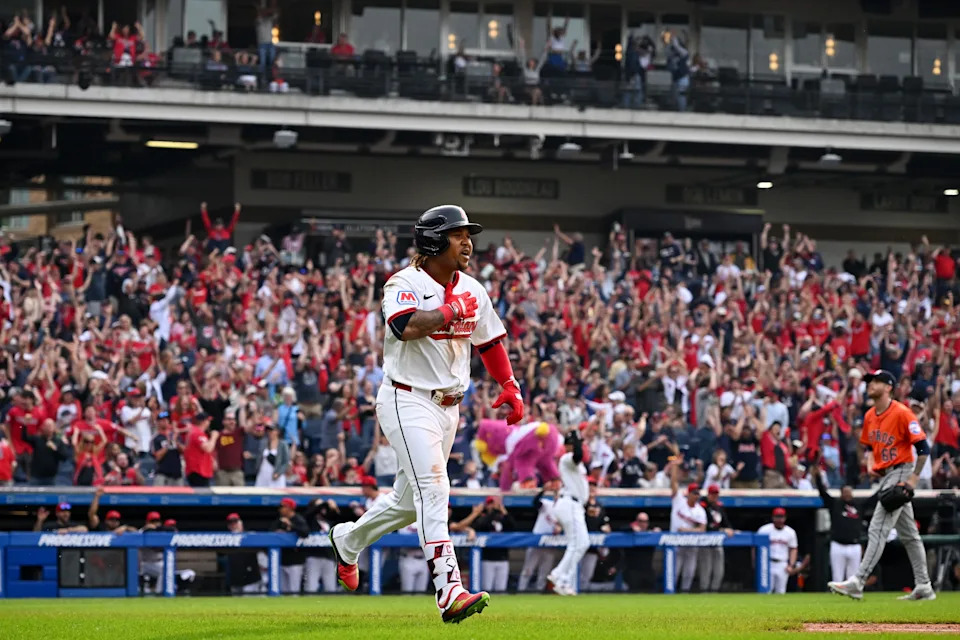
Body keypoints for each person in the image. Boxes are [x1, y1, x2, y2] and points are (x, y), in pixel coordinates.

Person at [329, 205, 522, 624]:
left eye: (468, 234)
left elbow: (489, 342)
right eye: (458, 235)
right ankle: (449, 589)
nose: (468, 242)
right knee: (434, 488)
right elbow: (405, 326)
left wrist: (510, 385)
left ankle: (347, 540)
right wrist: (452, 311)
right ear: (435, 241)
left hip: (449, 408)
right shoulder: (405, 282)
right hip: (406, 397)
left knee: (405, 503)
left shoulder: (473, 287)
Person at [829, 369, 936, 601]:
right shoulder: (869, 416)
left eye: (875, 381)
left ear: (888, 387)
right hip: (886, 473)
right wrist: (870, 462)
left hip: (901, 471)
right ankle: (924, 585)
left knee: (877, 528)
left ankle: (858, 581)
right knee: (910, 536)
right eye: (869, 381)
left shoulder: (902, 413)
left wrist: (913, 479)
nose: (870, 385)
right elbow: (868, 447)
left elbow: (923, 448)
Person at [546, 430, 589, 596]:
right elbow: (578, 454)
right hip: (569, 503)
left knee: (581, 543)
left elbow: (579, 456)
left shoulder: (575, 463)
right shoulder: (566, 458)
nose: (573, 446)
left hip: (575, 505)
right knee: (577, 543)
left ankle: (560, 577)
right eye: (571, 444)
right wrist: (578, 440)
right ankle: (560, 578)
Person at [814, 467, 863, 584]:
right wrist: (818, 478)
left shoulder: (859, 506)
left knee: (853, 578)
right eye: (845, 492)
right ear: (841, 493)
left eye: (849, 492)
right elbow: (822, 493)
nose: (847, 494)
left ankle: (850, 598)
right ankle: (837, 599)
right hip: (838, 545)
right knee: (837, 577)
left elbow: (874, 499)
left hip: (854, 545)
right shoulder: (835, 504)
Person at [670, 457, 707, 593]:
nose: (696, 495)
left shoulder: (700, 510)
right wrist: (674, 467)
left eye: (698, 493)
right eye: (694, 493)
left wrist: (686, 530)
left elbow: (702, 529)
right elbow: (673, 483)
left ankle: (685, 593)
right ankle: (670, 593)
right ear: (689, 493)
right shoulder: (679, 500)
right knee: (674, 570)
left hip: (691, 542)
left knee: (689, 571)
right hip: (675, 541)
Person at [518, 481, 559, 592]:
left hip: (551, 541)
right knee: (528, 569)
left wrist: (561, 529)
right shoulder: (547, 503)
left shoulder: (565, 510)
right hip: (537, 539)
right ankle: (521, 590)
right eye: (558, 494)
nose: (559, 497)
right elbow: (535, 502)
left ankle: (539, 591)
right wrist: (543, 491)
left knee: (544, 571)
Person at [472, 495, 516, 593]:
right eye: (490, 503)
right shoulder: (484, 518)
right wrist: (492, 512)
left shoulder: (503, 518)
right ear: (486, 505)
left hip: (503, 558)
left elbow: (512, 526)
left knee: (501, 589)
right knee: (487, 589)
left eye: (494, 503)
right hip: (488, 559)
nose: (493, 505)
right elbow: (480, 525)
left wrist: (503, 510)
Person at [698, 484, 733, 592]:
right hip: (706, 539)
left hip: (718, 540)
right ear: (708, 494)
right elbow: (706, 524)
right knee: (706, 566)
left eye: (716, 494)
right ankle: (704, 589)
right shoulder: (702, 505)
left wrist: (729, 529)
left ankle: (715, 589)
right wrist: (721, 530)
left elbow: (725, 522)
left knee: (719, 566)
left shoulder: (719, 506)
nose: (714, 496)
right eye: (712, 494)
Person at [270, 497, 309, 593]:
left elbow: (305, 532)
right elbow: (270, 532)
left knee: (294, 591)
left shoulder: (298, 519)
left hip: (295, 560)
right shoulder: (279, 520)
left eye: (282, 507)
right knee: (283, 590)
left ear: (289, 508)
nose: (280, 509)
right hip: (282, 559)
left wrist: (291, 525)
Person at [758, 508, 798, 594]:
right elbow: (756, 548)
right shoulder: (764, 530)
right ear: (773, 517)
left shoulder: (790, 532)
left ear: (785, 518)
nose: (779, 519)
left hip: (782, 564)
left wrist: (791, 565)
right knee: (765, 591)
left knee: (781, 591)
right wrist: (757, 563)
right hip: (767, 563)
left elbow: (793, 549)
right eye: (777, 517)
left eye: (781, 517)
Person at [225, 513, 262, 594]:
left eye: (235, 522)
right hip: (235, 578)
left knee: (250, 602)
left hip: (251, 578)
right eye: (231, 523)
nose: (234, 525)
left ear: (240, 523)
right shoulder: (226, 539)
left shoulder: (250, 535)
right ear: (228, 526)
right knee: (236, 605)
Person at [183, 412, 218, 487]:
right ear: (203, 422)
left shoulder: (196, 432)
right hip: (198, 471)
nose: (209, 423)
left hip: (201, 470)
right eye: (208, 421)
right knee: (202, 496)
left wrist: (211, 460)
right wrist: (214, 437)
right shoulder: (197, 433)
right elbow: (208, 448)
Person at [398, 521, 429, 593]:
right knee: (407, 592)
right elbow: (404, 539)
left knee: (421, 593)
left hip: (423, 559)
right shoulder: (404, 521)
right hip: (408, 558)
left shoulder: (424, 519)